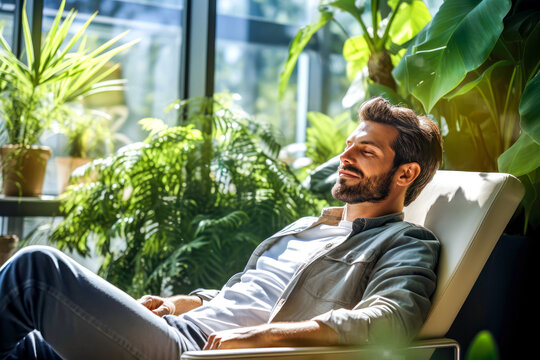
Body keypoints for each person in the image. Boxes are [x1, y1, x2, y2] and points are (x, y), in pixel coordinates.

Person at [0, 97, 443, 360]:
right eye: (348, 145)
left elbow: (390, 319)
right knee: (33, 346)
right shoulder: (307, 228)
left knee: (35, 273)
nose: (345, 157)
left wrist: (263, 336)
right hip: (182, 330)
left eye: (365, 151)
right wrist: (181, 302)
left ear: (405, 174)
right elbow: (244, 292)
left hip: (205, 355)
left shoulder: (405, 242)